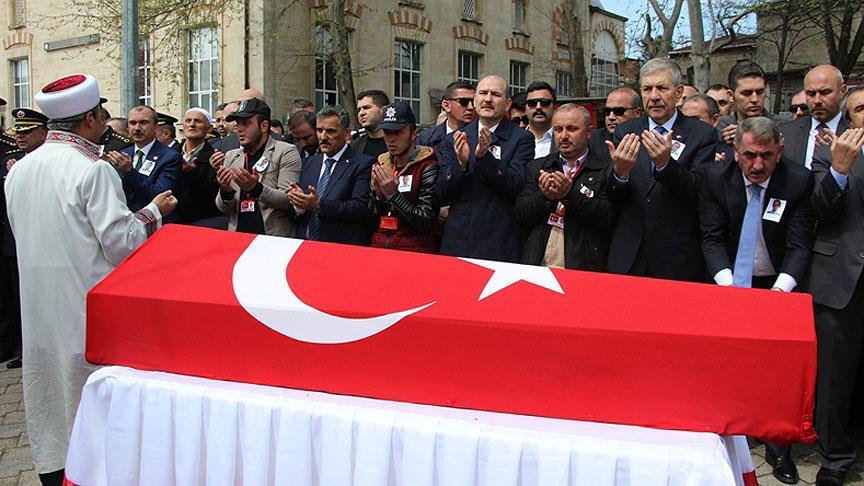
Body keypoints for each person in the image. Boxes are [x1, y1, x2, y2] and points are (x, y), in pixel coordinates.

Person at [5, 74, 177, 486]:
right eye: (101, 115)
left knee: (47, 395)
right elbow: (123, 243)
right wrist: (154, 211)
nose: (105, 121)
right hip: (87, 308)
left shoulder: (19, 171)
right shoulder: (94, 171)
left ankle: (54, 470)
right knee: (88, 399)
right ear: (89, 119)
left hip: (38, 308)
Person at [605, 57, 718, 282]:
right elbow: (612, 196)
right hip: (629, 256)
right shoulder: (625, 131)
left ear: (678, 93)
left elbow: (699, 192)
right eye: (647, 89)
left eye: (661, 88)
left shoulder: (701, 134)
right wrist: (620, 174)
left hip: (676, 259)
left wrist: (666, 165)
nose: (654, 96)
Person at [808, 87, 864, 486]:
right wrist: (840, 170)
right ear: (850, 117)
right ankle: (835, 458)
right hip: (842, 275)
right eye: (861, 108)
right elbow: (820, 210)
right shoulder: (831, 151)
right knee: (834, 375)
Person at [437, 75, 535, 262]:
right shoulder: (456, 138)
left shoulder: (521, 139)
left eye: (495, 94)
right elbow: (441, 192)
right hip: (459, 240)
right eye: (483, 93)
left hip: (500, 242)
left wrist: (484, 158)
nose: (488, 99)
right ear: (474, 101)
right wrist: (461, 164)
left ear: (507, 105)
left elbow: (517, 185)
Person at [515, 104, 615, 269]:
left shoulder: (605, 168)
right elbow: (521, 214)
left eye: (572, 129)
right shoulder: (538, 167)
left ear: (589, 132)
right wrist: (545, 196)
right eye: (558, 129)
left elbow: (607, 216)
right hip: (538, 264)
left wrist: (569, 195)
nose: (564, 136)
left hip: (582, 266)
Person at [0, 108, 48, 371]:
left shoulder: (48, 160)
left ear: (43, 132)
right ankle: (24, 346)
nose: (20, 136)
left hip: (43, 240)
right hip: (13, 239)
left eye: (27, 131)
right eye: (18, 131)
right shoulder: (12, 157)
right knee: (19, 297)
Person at [285, 106, 373, 245]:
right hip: (305, 246)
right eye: (319, 130)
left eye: (330, 131)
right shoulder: (308, 163)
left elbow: (359, 208)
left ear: (346, 133)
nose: (323, 137)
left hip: (340, 250)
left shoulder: (362, 164)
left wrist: (319, 205)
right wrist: (299, 204)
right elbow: (295, 215)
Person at [214, 98, 301, 236]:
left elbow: (288, 200)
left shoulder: (285, 152)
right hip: (238, 237)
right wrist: (226, 191)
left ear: (264, 126)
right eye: (238, 123)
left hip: (272, 239)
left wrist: (256, 189)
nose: (239, 129)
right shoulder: (231, 156)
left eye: (246, 123)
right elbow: (223, 208)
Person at [369, 101, 439, 252]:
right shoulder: (382, 163)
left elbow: (426, 221)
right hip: (380, 246)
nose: (391, 139)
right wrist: (378, 196)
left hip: (413, 250)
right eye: (387, 132)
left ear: (414, 134)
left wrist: (393, 195)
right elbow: (369, 219)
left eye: (398, 132)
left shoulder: (427, 167)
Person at [780, 65, 848, 169]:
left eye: (825, 92)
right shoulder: (785, 132)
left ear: (842, 91)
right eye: (811, 94)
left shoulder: (855, 132)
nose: (817, 101)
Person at [118, 105, 182, 215]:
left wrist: (129, 171)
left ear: (156, 127)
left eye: (143, 122)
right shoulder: (123, 153)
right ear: (127, 128)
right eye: (133, 123)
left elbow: (161, 195)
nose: (137, 128)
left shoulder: (170, 157)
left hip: (155, 221)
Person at [176, 108, 223, 226]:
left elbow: (213, 198)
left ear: (209, 128)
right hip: (172, 222)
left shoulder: (215, 158)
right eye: (188, 121)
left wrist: (190, 174)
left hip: (201, 223)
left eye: (198, 121)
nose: (192, 124)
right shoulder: (170, 154)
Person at [717, 61, 772, 147]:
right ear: (731, 95)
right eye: (747, 93)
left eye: (760, 92)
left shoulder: (784, 127)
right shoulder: (719, 128)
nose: (755, 99)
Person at [417, 80, 475, 156]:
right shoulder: (426, 138)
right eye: (463, 102)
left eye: (474, 102)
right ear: (446, 105)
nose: (471, 107)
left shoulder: (482, 138)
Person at [587, 87, 642, 162]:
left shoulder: (648, 140)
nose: (611, 117)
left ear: (637, 113)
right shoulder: (591, 141)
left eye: (618, 111)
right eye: (607, 111)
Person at [353, 90, 390, 159]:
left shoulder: (397, 143)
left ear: (383, 110)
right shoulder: (355, 146)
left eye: (366, 107)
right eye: (359, 110)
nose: (361, 113)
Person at [526, 81, 556, 158]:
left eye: (544, 102)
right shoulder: (514, 138)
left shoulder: (563, 138)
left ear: (554, 107)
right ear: (525, 108)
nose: (538, 107)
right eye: (532, 103)